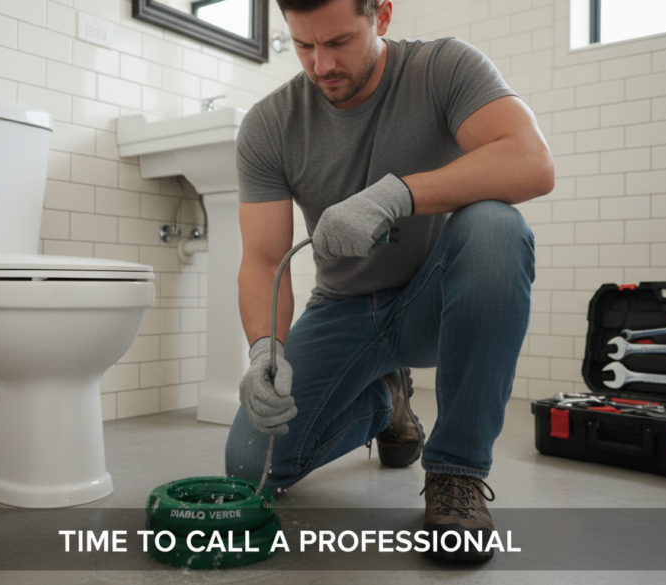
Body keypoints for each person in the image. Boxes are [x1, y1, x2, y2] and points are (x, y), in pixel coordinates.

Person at [224, 0, 553, 562]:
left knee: (496, 226)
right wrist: (264, 350)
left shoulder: (444, 68)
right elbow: (262, 258)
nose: (320, 64)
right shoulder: (270, 124)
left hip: (433, 296)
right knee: (249, 464)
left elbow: (531, 162)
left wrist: (396, 193)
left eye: (338, 42)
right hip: (344, 309)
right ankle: (385, 404)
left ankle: (457, 472)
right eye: (303, 45)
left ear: (381, 15)